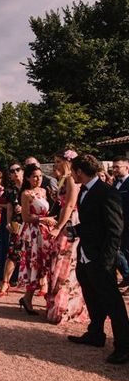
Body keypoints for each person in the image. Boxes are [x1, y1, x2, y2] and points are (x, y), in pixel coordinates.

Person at [68, 154, 129, 364]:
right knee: (91, 296)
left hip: (101, 258)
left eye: (72, 170)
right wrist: (74, 230)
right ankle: (96, 334)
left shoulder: (107, 192)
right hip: (86, 255)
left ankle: (124, 346)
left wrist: (108, 261)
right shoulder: (85, 190)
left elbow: (115, 230)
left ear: (79, 172)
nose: (70, 174)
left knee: (113, 303)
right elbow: (93, 223)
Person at [46, 150, 87, 324]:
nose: (55, 165)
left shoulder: (71, 179)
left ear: (67, 162)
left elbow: (70, 205)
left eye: (57, 161)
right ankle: (59, 305)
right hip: (64, 221)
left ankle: (64, 307)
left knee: (65, 265)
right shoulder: (65, 179)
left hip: (69, 224)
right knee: (59, 264)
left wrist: (58, 227)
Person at [17, 164, 57, 315]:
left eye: (40, 176)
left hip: (44, 231)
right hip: (32, 232)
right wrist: (44, 219)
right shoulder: (26, 194)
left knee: (44, 264)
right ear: (27, 178)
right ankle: (28, 299)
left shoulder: (43, 191)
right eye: (34, 176)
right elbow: (26, 217)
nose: (38, 179)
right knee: (34, 264)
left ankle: (35, 298)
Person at [0, 163, 23, 294]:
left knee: (34, 255)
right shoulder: (11, 190)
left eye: (18, 170)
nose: (15, 172)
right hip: (17, 224)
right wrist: (8, 222)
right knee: (13, 253)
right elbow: (9, 207)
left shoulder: (32, 188)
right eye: (12, 171)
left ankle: (39, 284)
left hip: (32, 225)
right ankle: (6, 283)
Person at [112, 157, 129, 290]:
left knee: (124, 252)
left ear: (126, 168)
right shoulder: (115, 183)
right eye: (114, 167)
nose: (115, 170)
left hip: (127, 223)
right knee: (118, 251)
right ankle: (126, 277)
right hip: (117, 224)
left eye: (118, 167)